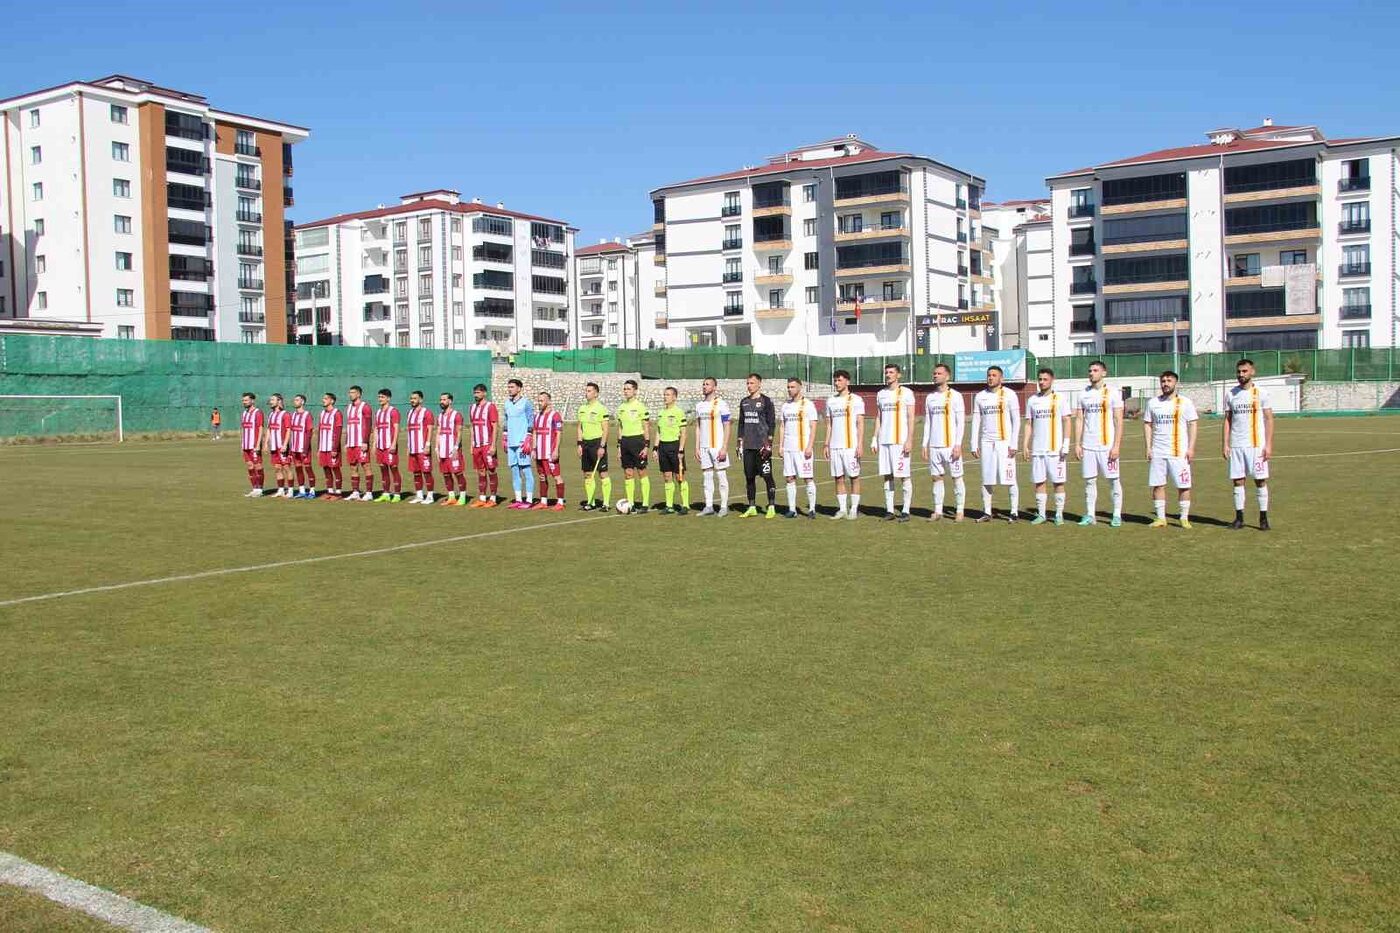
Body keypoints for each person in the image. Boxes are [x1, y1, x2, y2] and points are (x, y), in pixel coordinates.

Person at [1223, 358, 1274, 531]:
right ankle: (1239, 518)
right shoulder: (1231, 394)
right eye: (1239, 371)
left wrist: (1268, 445)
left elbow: (1268, 418)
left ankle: (1263, 518)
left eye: (1244, 371)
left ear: (1252, 372)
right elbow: (1228, 420)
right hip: (1237, 445)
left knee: (1260, 481)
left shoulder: (1261, 393)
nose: (1241, 374)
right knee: (1238, 481)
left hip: (1256, 445)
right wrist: (1226, 444)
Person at [1144, 370, 1198, 529]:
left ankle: (1184, 517)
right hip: (1158, 451)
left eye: (1169, 381)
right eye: (1163, 381)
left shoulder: (1185, 402)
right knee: (1158, 484)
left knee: (1183, 485)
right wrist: (1148, 447)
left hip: (1179, 451)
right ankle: (1161, 518)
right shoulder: (1153, 403)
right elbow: (1147, 424)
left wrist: (1191, 448)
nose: (1165, 384)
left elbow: (1193, 423)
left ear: (1176, 383)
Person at [1074, 360, 1124, 527]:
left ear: (1104, 373)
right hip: (1088, 445)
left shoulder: (1113, 393)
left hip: (1107, 446)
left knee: (1113, 480)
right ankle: (1090, 515)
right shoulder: (1082, 394)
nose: (1091, 373)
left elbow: (1118, 420)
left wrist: (1116, 445)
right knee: (1089, 481)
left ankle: (1116, 515)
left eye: (1095, 370)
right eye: (1089, 370)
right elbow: (1079, 420)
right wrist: (1077, 444)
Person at [970, 366, 1021, 522]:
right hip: (986, 442)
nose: (990, 378)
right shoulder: (980, 396)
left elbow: (1017, 420)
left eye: (994, 375)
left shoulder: (1010, 394)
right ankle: (986, 511)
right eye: (989, 375)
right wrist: (973, 443)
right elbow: (976, 420)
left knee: (1010, 478)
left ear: (1001, 378)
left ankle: (1013, 512)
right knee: (987, 478)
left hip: (1004, 443)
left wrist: (1014, 443)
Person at [1021, 367, 1071, 525]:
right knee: (1039, 482)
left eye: (1045, 379)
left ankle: (1059, 515)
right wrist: (1025, 444)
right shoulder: (1032, 400)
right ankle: (1041, 514)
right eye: (1040, 379)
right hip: (1038, 449)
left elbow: (1067, 420)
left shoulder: (1060, 399)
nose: (1042, 382)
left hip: (1055, 450)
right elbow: (1029, 423)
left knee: (1058, 482)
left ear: (1052, 380)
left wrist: (1066, 443)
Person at [922, 362, 965, 522]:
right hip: (934, 445)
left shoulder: (956, 396)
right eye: (934, 373)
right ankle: (938, 510)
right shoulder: (930, 397)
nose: (935, 376)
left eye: (939, 373)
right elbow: (928, 422)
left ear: (947, 376)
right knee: (936, 478)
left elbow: (960, 422)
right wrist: (924, 444)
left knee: (956, 477)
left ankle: (959, 510)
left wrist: (958, 444)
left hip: (950, 445)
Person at [872, 363, 916, 522]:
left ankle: (905, 510)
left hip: (900, 441)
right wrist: (874, 439)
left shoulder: (907, 393)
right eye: (886, 372)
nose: (888, 375)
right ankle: (889, 510)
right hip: (884, 441)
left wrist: (909, 440)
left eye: (891, 372)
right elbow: (879, 417)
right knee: (887, 476)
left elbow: (911, 418)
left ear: (898, 375)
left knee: (904, 476)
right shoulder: (881, 394)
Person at [824, 369, 865, 520]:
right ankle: (842, 509)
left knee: (854, 477)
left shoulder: (856, 399)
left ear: (847, 381)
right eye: (835, 380)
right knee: (838, 478)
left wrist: (860, 444)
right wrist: (826, 444)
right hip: (835, 446)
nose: (837, 383)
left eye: (840, 380)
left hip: (850, 446)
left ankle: (853, 508)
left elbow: (860, 423)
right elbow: (829, 424)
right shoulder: (830, 401)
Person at [737, 373, 777, 518]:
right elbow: (741, 424)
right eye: (747, 383)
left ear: (759, 384)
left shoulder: (766, 401)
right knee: (749, 478)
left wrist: (769, 444)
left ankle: (771, 506)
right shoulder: (744, 402)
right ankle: (752, 506)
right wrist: (739, 442)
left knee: (767, 476)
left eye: (752, 383)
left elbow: (772, 423)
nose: (749, 386)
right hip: (748, 447)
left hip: (762, 447)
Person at [779, 377, 819, 519]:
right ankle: (792, 510)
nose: (790, 390)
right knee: (789, 478)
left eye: (793, 387)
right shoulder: (785, 406)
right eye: (788, 387)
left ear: (800, 387)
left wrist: (810, 446)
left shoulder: (808, 405)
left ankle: (812, 509)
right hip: (788, 448)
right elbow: (782, 426)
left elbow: (813, 426)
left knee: (808, 477)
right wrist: (781, 446)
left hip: (803, 448)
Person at [693, 377, 732, 517]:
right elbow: (698, 427)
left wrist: (724, 447)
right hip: (704, 447)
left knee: (721, 475)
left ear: (715, 387)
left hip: (717, 446)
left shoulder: (721, 404)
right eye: (703, 384)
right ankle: (709, 506)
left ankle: (723, 506)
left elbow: (727, 426)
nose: (704, 386)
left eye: (707, 384)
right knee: (707, 476)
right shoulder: (699, 405)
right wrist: (697, 447)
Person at [616, 379, 653, 513]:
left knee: (641, 472)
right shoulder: (621, 408)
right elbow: (620, 428)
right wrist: (619, 446)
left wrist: (646, 445)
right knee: (628, 473)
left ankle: (644, 504)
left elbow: (646, 427)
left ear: (635, 391)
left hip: (638, 441)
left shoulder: (641, 407)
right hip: (625, 442)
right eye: (624, 389)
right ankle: (630, 503)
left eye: (629, 389)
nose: (626, 391)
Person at [502, 378, 537, 509]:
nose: (509, 389)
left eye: (512, 387)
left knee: (526, 470)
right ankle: (518, 499)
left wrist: (528, 437)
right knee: (514, 470)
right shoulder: (507, 403)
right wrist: (505, 437)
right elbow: (505, 420)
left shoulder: (526, 403)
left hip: (522, 443)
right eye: (509, 387)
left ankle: (529, 500)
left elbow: (531, 420)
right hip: (511, 442)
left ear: (519, 388)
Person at [576, 382, 612, 511]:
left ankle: (606, 504)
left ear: (596, 393)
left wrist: (602, 446)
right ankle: (590, 502)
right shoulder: (581, 409)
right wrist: (579, 444)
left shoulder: (601, 409)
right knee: (587, 474)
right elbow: (579, 428)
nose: (587, 393)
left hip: (597, 443)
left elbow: (606, 429)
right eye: (586, 390)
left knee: (603, 474)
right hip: (585, 444)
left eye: (589, 391)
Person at [654, 387, 689, 514]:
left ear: (674, 397)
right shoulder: (661, 413)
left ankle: (685, 505)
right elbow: (658, 431)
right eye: (664, 395)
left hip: (675, 447)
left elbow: (684, 433)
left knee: (679, 476)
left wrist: (681, 450)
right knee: (667, 476)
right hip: (663, 446)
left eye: (668, 395)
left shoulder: (679, 412)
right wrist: (655, 447)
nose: (665, 397)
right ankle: (669, 506)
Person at [531, 391, 566, 510]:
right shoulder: (537, 416)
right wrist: (534, 449)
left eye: (541, 401)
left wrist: (556, 450)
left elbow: (558, 433)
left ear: (548, 401)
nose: (539, 403)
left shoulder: (555, 415)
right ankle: (543, 501)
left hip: (550, 452)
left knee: (556, 476)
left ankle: (560, 502)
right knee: (541, 476)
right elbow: (535, 432)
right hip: (539, 452)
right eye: (538, 401)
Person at [468, 383, 501, 508]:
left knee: (491, 470)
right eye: (474, 392)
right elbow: (472, 426)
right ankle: (482, 498)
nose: (476, 395)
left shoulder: (490, 407)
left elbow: (494, 426)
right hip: (477, 445)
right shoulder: (472, 407)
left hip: (487, 445)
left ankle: (493, 498)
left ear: (484, 393)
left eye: (478, 392)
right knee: (480, 471)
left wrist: (493, 445)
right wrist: (472, 444)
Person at [405, 390, 437, 504]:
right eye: (411, 398)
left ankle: (430, 495)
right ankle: (419, 495)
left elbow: (430, 429)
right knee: (416, 472)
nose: (412, 400)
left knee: (426, 472)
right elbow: (409, 431)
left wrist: (427, 444)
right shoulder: (409, 413)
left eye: (414, 398)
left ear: (421, 400)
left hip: (423, 448)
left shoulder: (426, 413)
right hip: (413, 448)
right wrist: (408, 446)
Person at [343, 385, 374, 501]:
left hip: (361, 443)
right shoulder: (349, 408)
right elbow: (348, 426)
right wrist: (346, 442)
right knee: (353, 467)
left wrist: (365, 441)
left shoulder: (365, 407)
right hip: (351, 443)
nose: (350, 394)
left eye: (353, 392)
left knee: (366, 466)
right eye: (350, 392)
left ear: (359, 394)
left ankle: (369, 493)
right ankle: (355, 492)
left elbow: (368, 425)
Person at [437, 393, 467, 506]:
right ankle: (451, 497)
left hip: (453, 450)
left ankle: (463, 496)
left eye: (444, 399)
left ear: (450, 401)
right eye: (441, 399)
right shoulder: (440, 416)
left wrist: (456, 447)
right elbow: (439, 432)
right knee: (446, 474)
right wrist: (436, 447)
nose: (442, 401)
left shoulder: (456, 415)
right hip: (442, 450)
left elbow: (459, 432)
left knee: (458, 473)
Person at [373, 388, 403, 503]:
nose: (380, 399)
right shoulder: (378, 412)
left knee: (394, 469)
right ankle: (386, 493)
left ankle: (397, 494)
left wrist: (394, 443)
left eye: (382, 397)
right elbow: (376, 429)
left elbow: (396, 428)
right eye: (379, 397)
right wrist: (375, 443)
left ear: (388, 398)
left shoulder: (393, 411)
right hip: (380, 446)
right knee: (383, 469)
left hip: (389, 446)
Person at [288, 394, 316, 498]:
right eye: (294, 400)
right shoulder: (293, 415)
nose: (295, 401)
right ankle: (302, 490)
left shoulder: (307, 415)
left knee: (308, 468)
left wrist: (305, 448)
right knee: (298, 468)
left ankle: (312, 490)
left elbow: (309, 433)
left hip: (304, 448)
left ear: (302, 402)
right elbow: (291, 432)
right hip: (294, 448)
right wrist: (290, 448)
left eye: (297, 400)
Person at [317, 392, 344, 500]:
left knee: (335, 469)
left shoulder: (337, 413)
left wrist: (335, 448)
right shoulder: (322, 413)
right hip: (323, 447)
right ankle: (329, 491)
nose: (323, 400)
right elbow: (319, 431)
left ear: (332, 401)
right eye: (323, 398)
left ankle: (338, 493)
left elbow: (338, 431)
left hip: (332, 447)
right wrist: (319, 447)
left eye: (325, 398)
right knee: (326, 468)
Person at [266, 393, 293, 498]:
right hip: (274, 446)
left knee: (287, 467)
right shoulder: (271, 414)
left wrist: (285, 444)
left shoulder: (285, 414)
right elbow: (269, 429)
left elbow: (288, 430)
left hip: (282, 446)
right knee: (277, 468)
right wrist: (265, 443)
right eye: (270, 399)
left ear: (279, 401)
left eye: (273, 399)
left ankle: (290, 491)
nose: (271, 401)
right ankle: (281, 490)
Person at [239, 392, 265, 497]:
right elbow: (243, 429)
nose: (244, 402)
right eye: (243, 400)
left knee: (258, 466)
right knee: (250, 466)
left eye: (246, 400)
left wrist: (258, 444)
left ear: (252, 401)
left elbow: (260, 428)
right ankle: (254, 488)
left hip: (254, 444)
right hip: (246, 445)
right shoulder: (244, 413)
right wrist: (242, 443)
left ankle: (260, 489)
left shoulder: (258, 412)